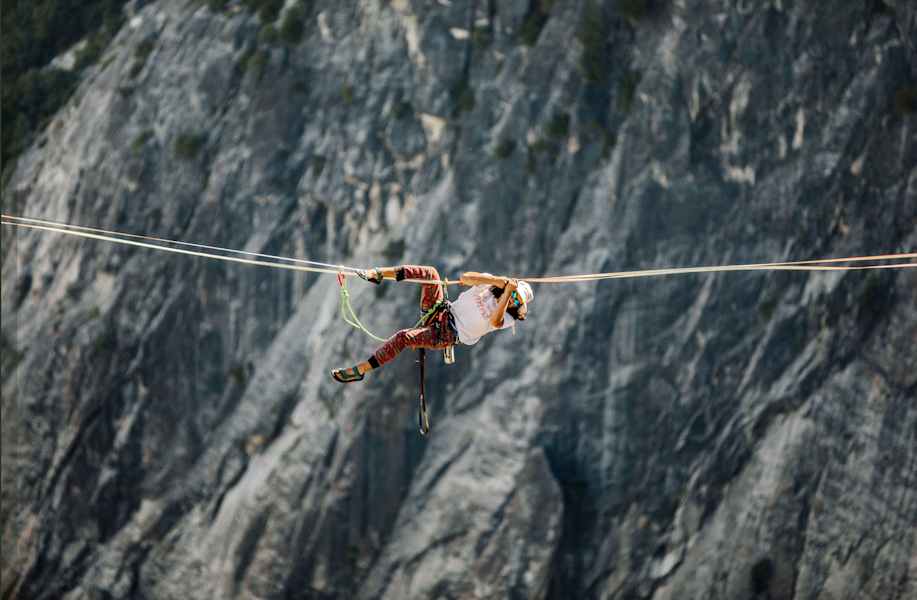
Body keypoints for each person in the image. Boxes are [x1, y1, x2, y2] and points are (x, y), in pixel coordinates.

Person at [331, 265, 534, 383]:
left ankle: (361, 370)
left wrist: (508, 294)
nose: (515, 302)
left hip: (448, 335)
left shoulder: (510, 318)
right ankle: (378, 274)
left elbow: (494, 321)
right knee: (430, 274)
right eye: (516, 297)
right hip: (442, 313)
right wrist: (500, 282)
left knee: (404, 337)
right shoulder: (490, 285)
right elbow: (465, 278)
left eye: (518, 302)